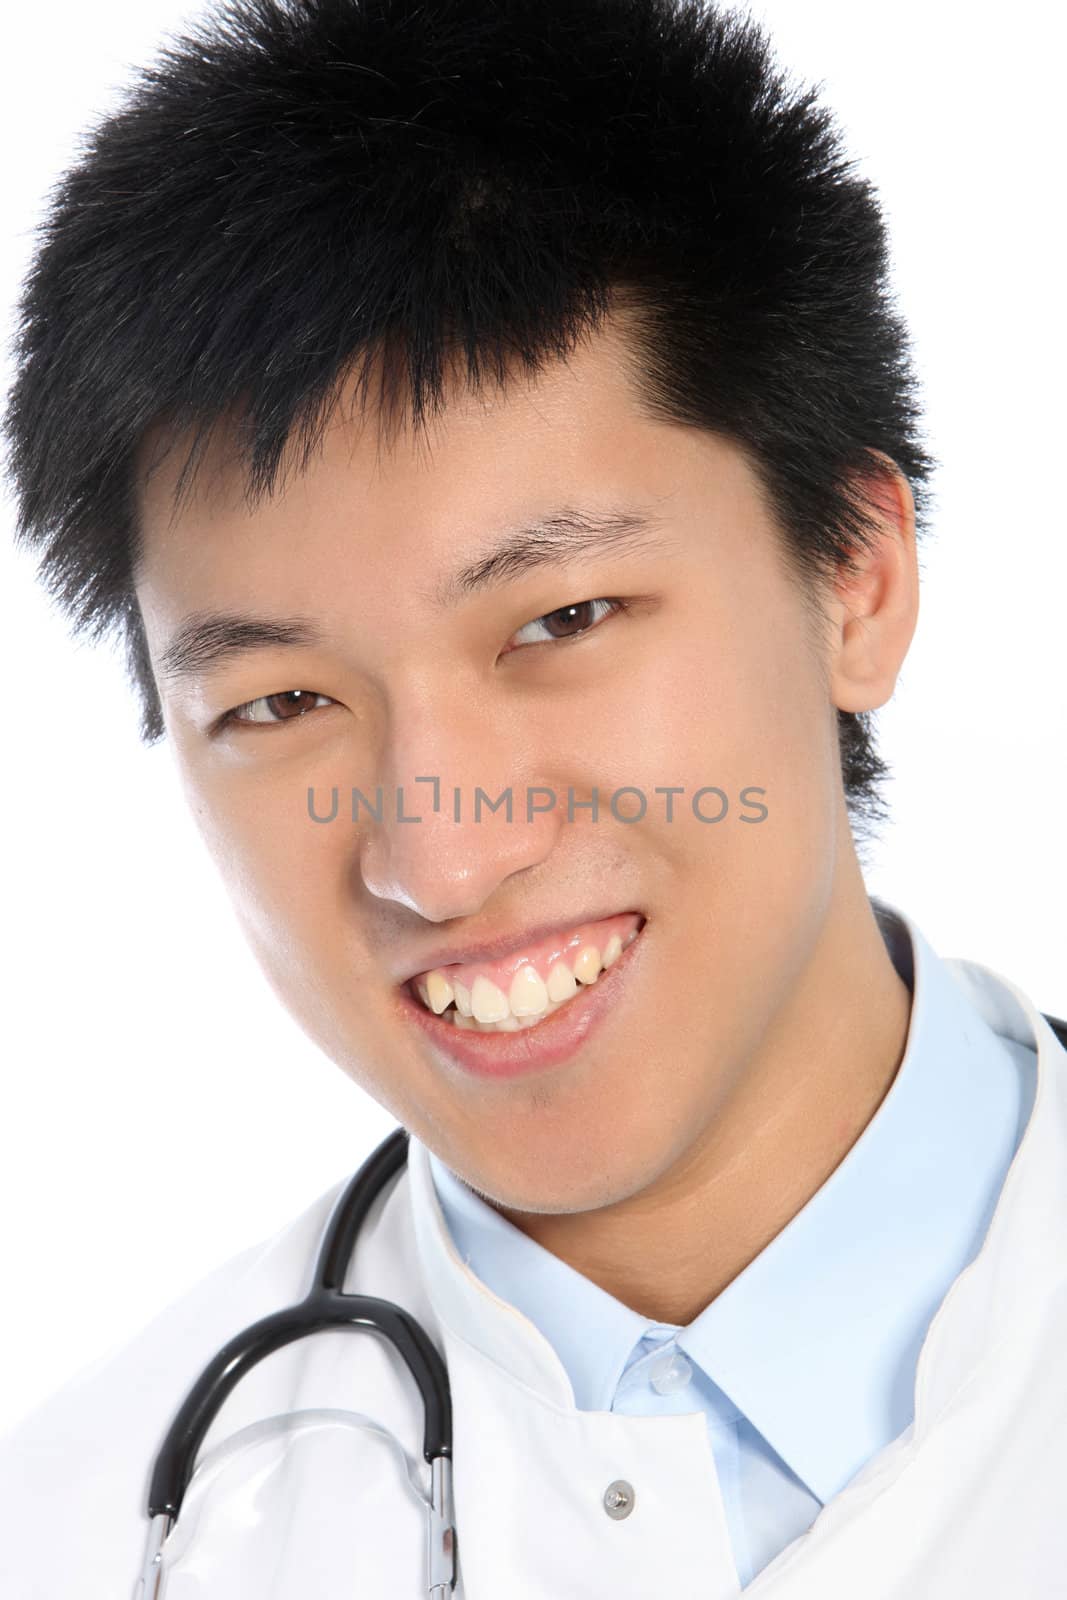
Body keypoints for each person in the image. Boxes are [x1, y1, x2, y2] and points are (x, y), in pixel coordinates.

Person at [1, 0, 1064, 1594]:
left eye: (560, 621)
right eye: (282, 702)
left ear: (856, 578)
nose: (437, 858)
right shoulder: (76, 1532)